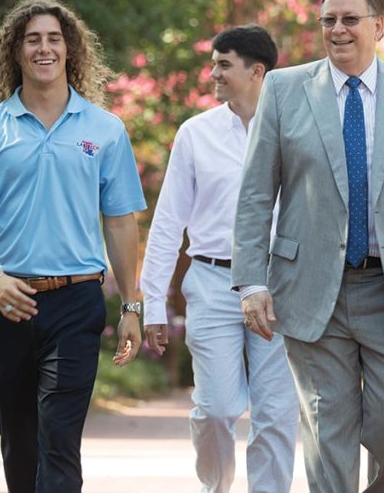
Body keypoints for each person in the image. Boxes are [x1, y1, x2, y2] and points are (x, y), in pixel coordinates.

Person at [232, 0, 384, 492]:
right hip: (313, 289)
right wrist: (251, 281)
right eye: (328, 20)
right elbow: (254, 195)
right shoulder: (285, 89)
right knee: (327, 431)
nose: (337, 30)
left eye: (350, 19)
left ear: (378, 26)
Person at [0, 0, 146, 492]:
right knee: (18, 441)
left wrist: (132, 305)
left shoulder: (104, 129)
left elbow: (122, 222)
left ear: (69, 49)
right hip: (8, 301)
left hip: (76, 301)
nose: (44, 48)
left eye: (54, 38)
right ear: (15, 51)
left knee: (59, 438)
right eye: (32, 39)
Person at [140, 24, 297, 493]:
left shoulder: (296, 130)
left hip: (280, 284)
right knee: (218, 409)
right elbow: (168, 223)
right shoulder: (196, 134)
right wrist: (152, 305)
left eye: (223, 65)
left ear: (256, 71)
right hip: (211, 283)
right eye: (214, 63)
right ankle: (217, 487)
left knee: (275, 413)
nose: (213, 73)